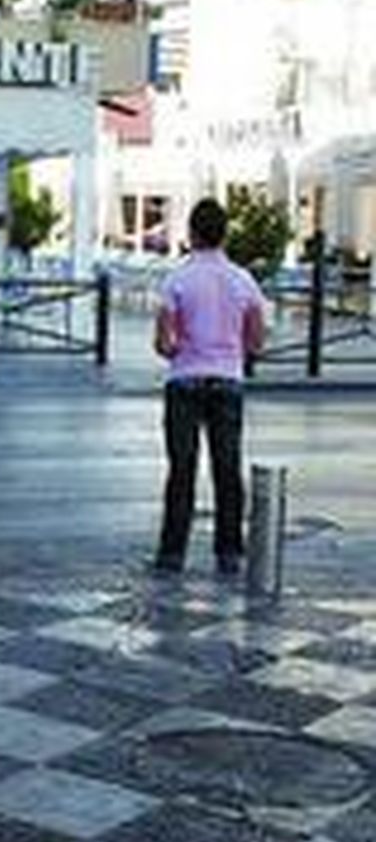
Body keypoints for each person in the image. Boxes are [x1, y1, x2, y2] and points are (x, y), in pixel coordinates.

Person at [152, 199, 268, 575]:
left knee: (182, 469)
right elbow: (256, 341)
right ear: (224, 234)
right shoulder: (244, 280)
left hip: (184, 380)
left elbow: (163, 343)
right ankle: (229, 552)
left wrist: (181, 348)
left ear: (192, 233)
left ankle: (172, 554)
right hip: (228, 381)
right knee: (227, 468)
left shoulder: (177, 279)